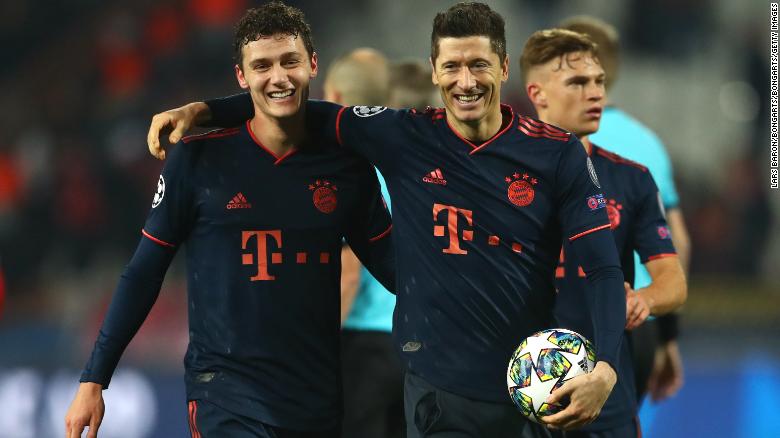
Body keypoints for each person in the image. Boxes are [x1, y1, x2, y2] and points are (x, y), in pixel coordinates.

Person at [148, 3, 628, 436]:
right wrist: (204, 111)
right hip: (440, 390)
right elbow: (294, 104)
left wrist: (606, 367)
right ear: (435, 73)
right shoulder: (403, 136)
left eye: (479, 65)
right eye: (453, 67)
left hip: (531, 386)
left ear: (503, 68)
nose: (467, 81)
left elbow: (603, 268)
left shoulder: (556, 154)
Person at [64, 3, 394, 438]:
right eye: (261, 66)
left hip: (315, 399)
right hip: (226, 393)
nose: (277, 77)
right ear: (241, 76)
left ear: (312, 64)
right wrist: (94, 377)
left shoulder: (345, 168)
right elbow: (144, 274)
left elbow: (398, 269)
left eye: (289, 61)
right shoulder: (197, 160)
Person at [520, 28, 687, 437]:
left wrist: (643, 298)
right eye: (577, 83)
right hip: (516, 387)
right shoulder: (501, 174)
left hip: (605, 388)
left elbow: (673, 281)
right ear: (537, 94)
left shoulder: (632, 179)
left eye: (599, 81)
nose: (595, 93)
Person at [560, 16, 691, 404]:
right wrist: (668, 336)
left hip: (561, 320)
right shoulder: (647, 143)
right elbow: (679, 242)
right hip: (637, 319)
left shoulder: (546, 135)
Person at [322, 47, 405, 438]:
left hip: (363, 345)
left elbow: (349, 273)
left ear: (335, 96)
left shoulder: (344, 172)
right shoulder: (406, 166)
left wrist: (315, 350)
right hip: (410, 339)